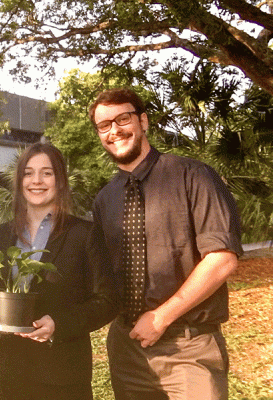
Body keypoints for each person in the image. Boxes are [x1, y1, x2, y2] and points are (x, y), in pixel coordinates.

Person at [89, 88, 243, 399]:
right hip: (127, 351)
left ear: (143, 120)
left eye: (123, 118)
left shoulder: (193, 175)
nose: (114, 130)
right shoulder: (104, 199)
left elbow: (222, 258)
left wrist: (162, 316)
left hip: (189, 349)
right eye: (104, 125)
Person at [0, 142, 118, 400]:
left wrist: (59, 323)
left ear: (60, 181)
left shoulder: (85, 234)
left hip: (62, 377)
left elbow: (108, 300)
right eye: (28, 173)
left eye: (47, 173)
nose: (37, 181)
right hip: (8, 375)